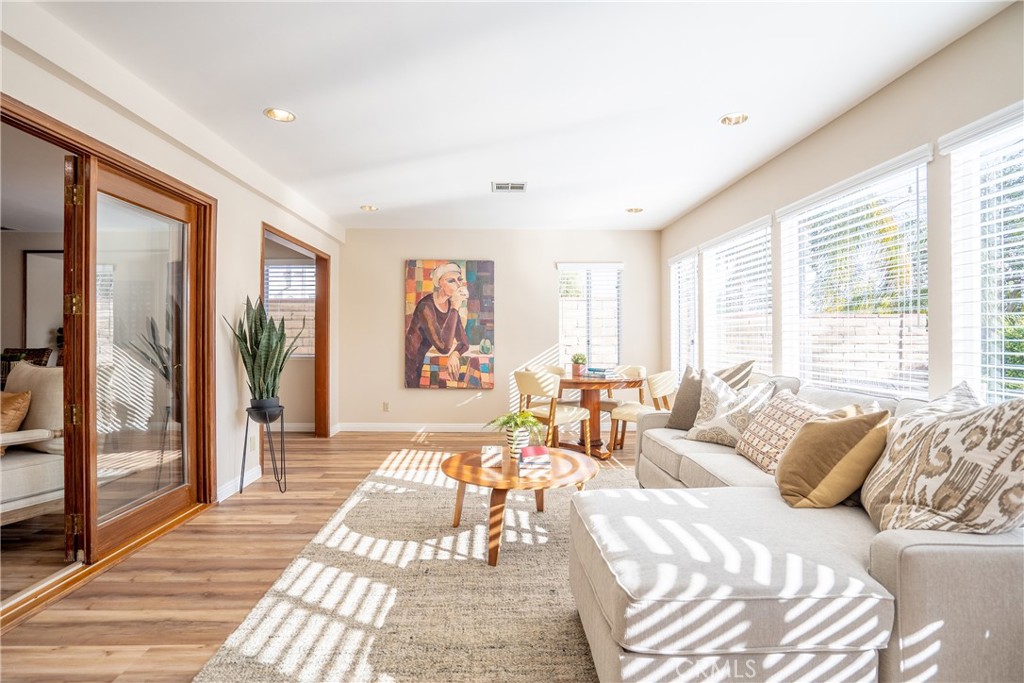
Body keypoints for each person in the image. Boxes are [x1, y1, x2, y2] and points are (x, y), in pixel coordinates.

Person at [404, 262, 470, 387]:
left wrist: (455, 354)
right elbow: (443, 347)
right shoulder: (426, 307)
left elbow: (464, 342)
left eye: (459, 279)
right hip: (411, 364)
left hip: (423, 361)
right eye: (451, 281)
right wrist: (455, 308)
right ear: (440, 283)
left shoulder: (451, 306)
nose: (458, 285)